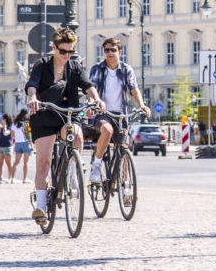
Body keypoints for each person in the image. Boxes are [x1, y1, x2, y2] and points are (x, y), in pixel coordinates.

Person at [25, 26, 101, 225]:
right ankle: (41, 206)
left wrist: (96, 99)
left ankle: (73, 172)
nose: (67, 55)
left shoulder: (74, 67)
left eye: (71, 51)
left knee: (76, 135)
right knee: (44, 161)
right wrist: (33, 97)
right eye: (63, 51)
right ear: (54, 47)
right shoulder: (42, 65)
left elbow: (87, 85)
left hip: (67, 114)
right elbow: (32, 84)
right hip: (44, 115)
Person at [87, 37, 150, 184]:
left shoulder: (126, 69)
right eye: (107, 50)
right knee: (107, 131)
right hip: (102, 113)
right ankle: (96, 165)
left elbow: (134, 89)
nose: (109, 53)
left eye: (113, 50)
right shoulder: (97, 69)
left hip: (121, 116)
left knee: (123, 149)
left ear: (120, 52)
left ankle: (125, 186)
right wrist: (91, 105)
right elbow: (91, 90)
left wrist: (142, 105)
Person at [12, 108, 31, 183]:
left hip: (17, 143)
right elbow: (29, 134)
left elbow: (12, 135)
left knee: (16, 162)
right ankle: (24, 179)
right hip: (25, 143)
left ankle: (12, 178)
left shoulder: (15, 123)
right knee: (26, 162)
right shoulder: (27, 123)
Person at [0, 113, 15, 183]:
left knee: (8, 163)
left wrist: (5, 126)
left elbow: (6, 133)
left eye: (2, 119)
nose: (1, 120)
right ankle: (0, 178)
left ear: (5, 120)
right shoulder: (1, 127)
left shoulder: (10, 127)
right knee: (0, 163)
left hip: (7, 147)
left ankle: (10, 177)